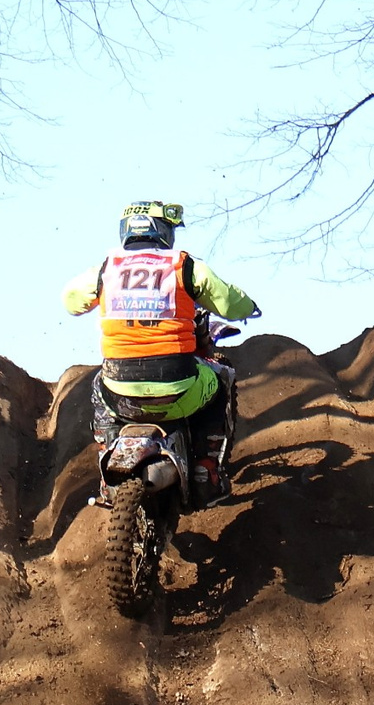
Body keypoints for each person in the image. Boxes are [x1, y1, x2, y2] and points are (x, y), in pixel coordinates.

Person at [63, 202, 259, 494]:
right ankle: (207, 466)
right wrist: (249, 306)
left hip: (119, 390)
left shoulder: (107, 268)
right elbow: (229, 303)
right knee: (221, 378)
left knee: (97, 384)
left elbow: (71, 302)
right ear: (164, 230)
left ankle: (106, 460)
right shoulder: (183, 265)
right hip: (178, 385)